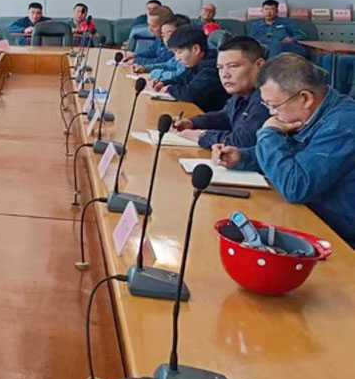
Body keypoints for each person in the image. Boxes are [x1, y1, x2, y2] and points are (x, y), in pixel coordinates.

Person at [213, 54, 355, 247]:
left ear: (305, 98)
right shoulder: (312, 113)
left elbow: (295, 186)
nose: (272, 113)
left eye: (274, 106)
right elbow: (292, 154)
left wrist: (269, 133)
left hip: (341, 238)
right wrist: (242, 157)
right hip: (313, 219)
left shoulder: (343, 125)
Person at [174, 36, 269, 147]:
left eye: (233, 66)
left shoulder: (267, 97)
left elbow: (242, 141)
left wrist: (202, 135)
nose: (225, 74)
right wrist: (192, 122)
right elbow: (225, 117)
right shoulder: (241, 92)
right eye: (220, 68)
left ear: (259, 65)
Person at [152, 24, 228, 112]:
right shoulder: (197, 64)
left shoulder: (211, 68)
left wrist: (170, 89)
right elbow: (182, 79)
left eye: (179, 52)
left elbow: (191, 94)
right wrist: (164, 83)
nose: (177, 59)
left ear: (196, 49)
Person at [131, 14, 189, 81]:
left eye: (170, 34)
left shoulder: (187, 54)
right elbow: (168, 65)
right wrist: (145, 68)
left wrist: (154, 73)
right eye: (163, 36)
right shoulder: (175, 54)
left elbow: (179, 76)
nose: (166, 40)